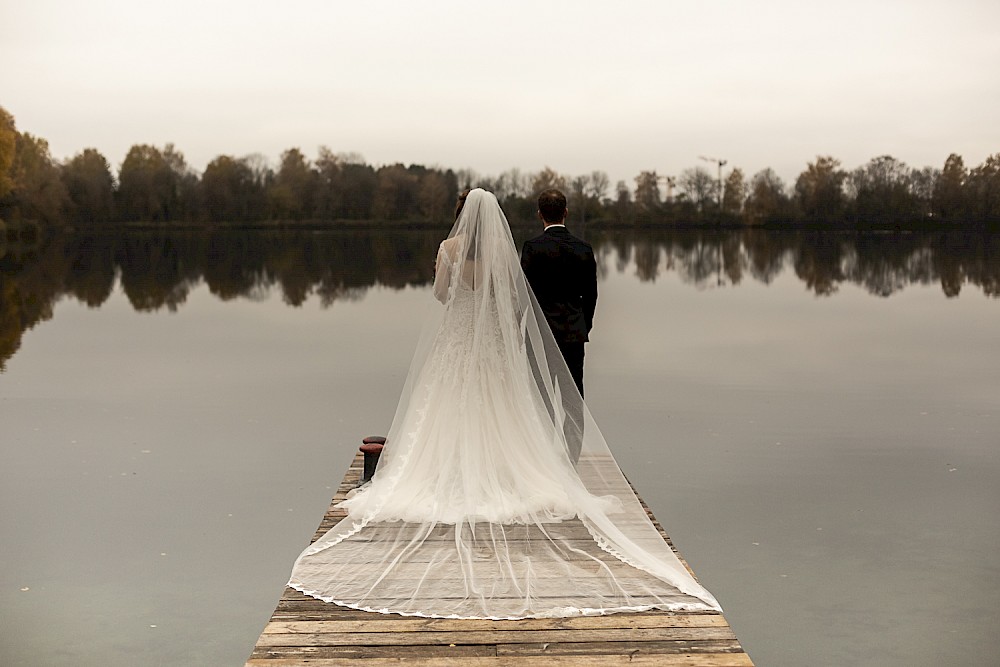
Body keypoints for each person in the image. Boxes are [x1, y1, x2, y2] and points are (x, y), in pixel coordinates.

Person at [288, 189, 720, 619]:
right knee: (500, 403)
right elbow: (514, 296)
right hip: (495, 339)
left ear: (460, 218)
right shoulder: (503, 249)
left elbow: (442, 296)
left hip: (458, 333)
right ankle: (518, 466)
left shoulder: (449, 249)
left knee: (450, 401)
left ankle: (452, 466)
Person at [520, 188, 597, 399]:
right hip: (573, 332)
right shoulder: (584, 248)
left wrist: (524, 328)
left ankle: (543, 433)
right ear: (566, 212)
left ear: (539, 214)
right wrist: (583, 325)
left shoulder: (532, 248)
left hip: (540, 332)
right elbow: (591, 295)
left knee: (540, 396)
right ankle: (572, 433)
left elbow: (523, 293)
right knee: (572, 398)